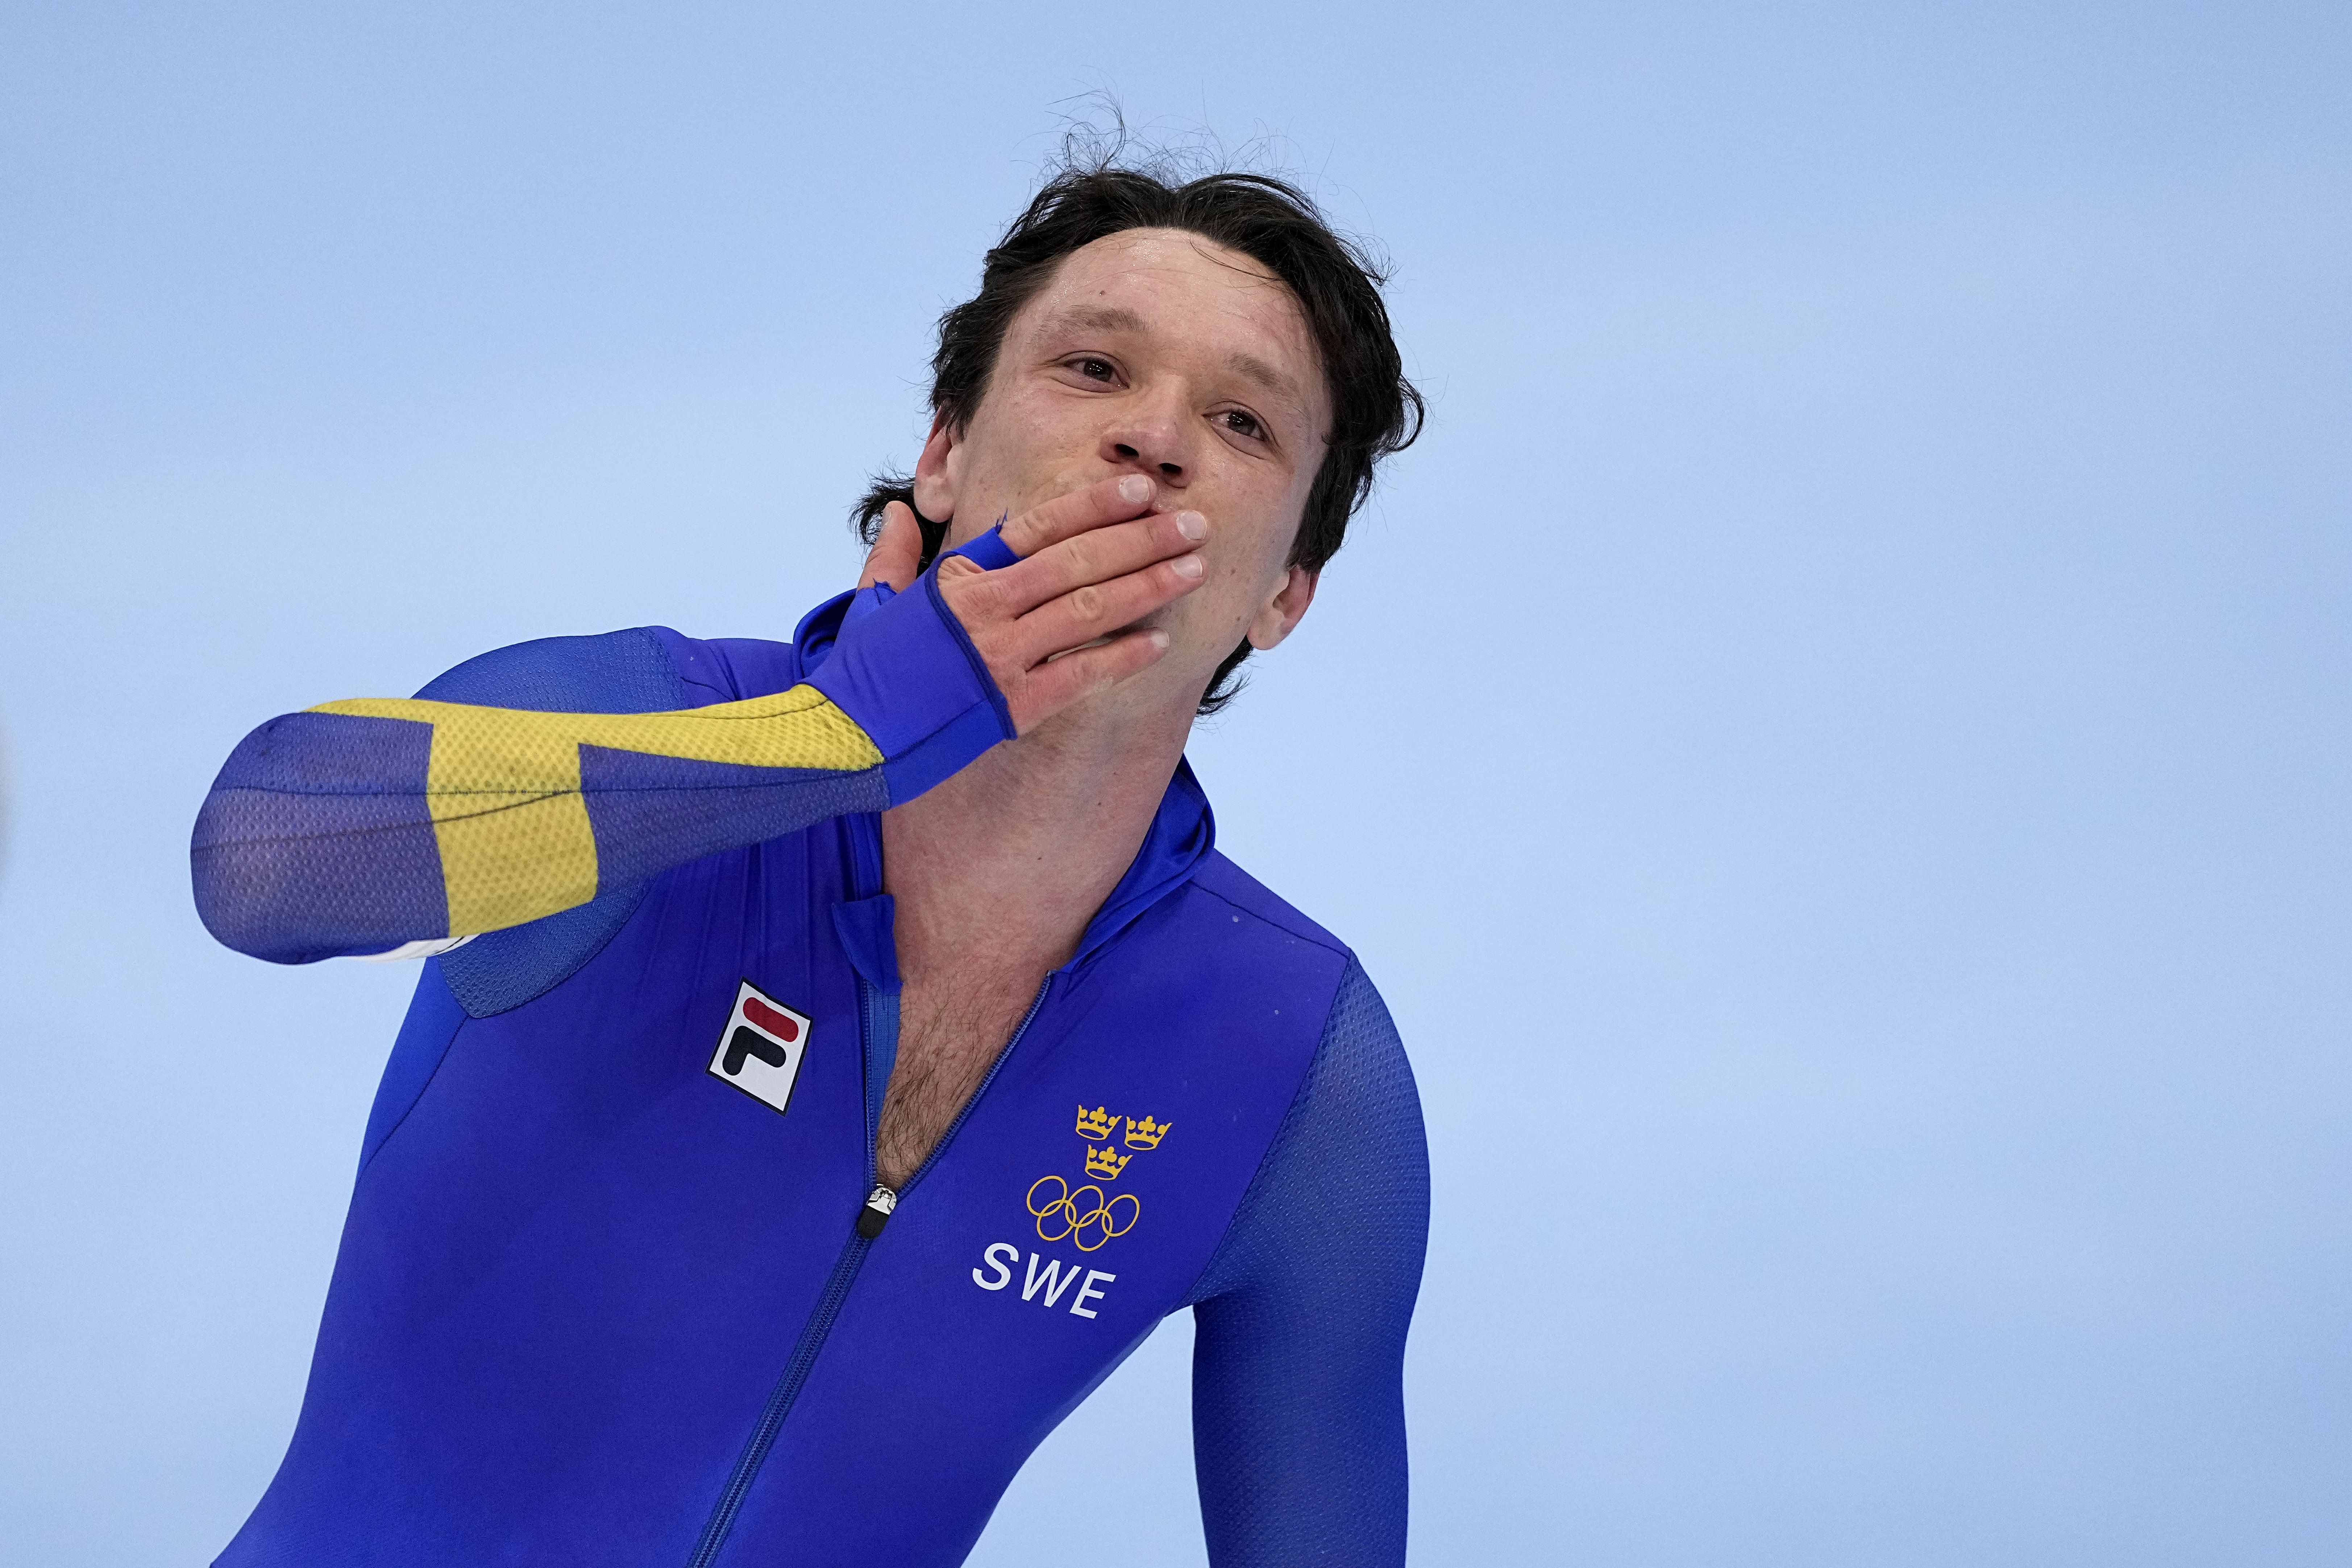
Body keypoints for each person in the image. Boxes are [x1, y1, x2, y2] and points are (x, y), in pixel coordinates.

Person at [192, 156, 1429, 1568]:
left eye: (1242, 419)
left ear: (1284, 592)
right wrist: (830, 737)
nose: (1154, 441)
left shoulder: (1297, 1074)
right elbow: (263, 852)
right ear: (947, 450)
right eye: (1095, 366)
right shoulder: (644, 733)